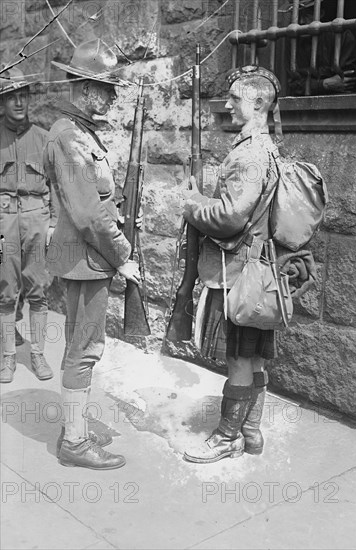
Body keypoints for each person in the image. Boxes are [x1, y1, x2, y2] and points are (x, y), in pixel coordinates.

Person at [44, 38, 142, 470]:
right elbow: (87, 214)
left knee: (78, 347)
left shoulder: (78, 133)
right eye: (107, 91)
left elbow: (95, 201)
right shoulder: (70, 137)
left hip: (85, 257)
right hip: (87, 260)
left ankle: (73, 429)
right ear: (84, 89)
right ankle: (75, 443)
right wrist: (123, 256)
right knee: (84, 350)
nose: (111, 99)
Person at [181, 66, 282, 463]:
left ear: (257, 104)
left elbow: (230, 217)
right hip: (257, 269)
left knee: (239, 358)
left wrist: (193, 204)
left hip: (240, 272)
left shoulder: (251, 153)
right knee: (254, 356)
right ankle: (252, 433)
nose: (227, 105)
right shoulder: (264, 147)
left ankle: (227, 438)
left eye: (235, 98)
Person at [0, 67, 57, 383]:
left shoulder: (44, 139)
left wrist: (54, 225)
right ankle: (8, 358)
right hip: (3, 223)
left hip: (38, 221)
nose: (19, 103)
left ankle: (37, 354)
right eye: (13, 97)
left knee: (39, 289)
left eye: (23, 96)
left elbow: (58, 185)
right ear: (3, 102)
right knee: (5, 290)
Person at [287, 0, 356, 96]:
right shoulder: (293, 40)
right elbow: (294, 85)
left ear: (321, 13)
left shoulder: (341, 36)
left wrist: (310, 80)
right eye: (297, 16)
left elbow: (345, 79)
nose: (301, 21)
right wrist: (323, 84)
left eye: (307, 15)